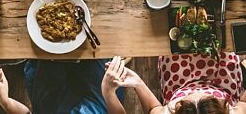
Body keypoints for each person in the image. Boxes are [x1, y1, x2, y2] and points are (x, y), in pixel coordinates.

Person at [104, 55, 246, 113]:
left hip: (178, 82)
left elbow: (154, 109)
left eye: (187, 101)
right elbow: (244, 103)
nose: (195, 92)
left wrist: (108, 91)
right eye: (210, 99)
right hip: (222, 81)